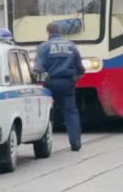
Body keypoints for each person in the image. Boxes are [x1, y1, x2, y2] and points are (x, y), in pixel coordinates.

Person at [35, 23, 85, 152]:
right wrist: (76, 77)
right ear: (60, 31)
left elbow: (39, 69)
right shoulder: (72, 46)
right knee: (71, 113)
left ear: (48, 32)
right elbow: (80, 68)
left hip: (50, 84)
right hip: (68, 84)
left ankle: (44, 145)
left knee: (46, 113)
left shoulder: (43, 47)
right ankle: (76, 143)